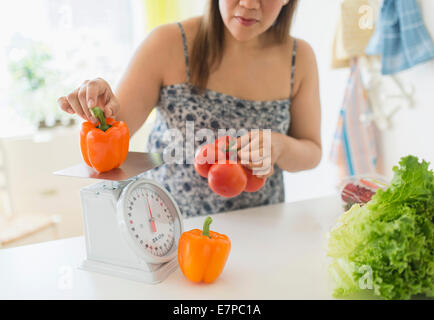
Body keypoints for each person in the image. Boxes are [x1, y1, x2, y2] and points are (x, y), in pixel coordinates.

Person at [57, 0, 321, 218]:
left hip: (262, 228)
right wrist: (99, 109)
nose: (249, 4)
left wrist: (281, 146)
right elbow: (112, 135)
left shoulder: (300, 58)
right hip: (167, 231)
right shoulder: (166, 43)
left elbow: (312, 150)